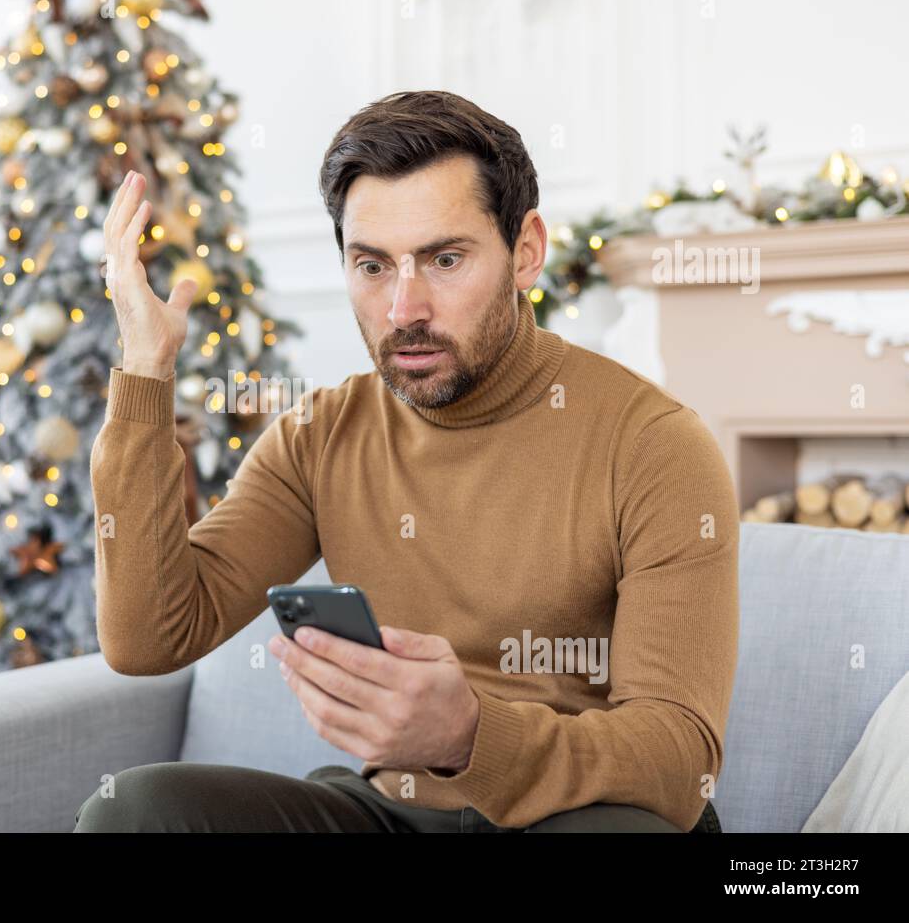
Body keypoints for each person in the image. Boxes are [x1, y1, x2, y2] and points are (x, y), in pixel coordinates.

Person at [76, 90, 736, 833]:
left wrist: (470, 736)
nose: (404, 309)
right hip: (390, 811)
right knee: (132, 811)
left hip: (574, 817)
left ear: (526, 251)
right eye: (373, 266)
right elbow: (148, 637)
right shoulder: (320, 434)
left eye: (444, 259)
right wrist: (144, 369)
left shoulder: (654, 444)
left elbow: (683, 761)